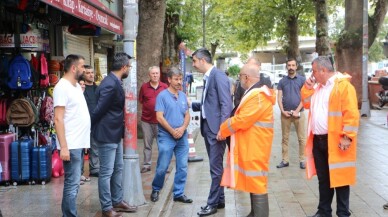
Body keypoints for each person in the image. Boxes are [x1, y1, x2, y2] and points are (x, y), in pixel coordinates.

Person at [301, 56, 359, 217]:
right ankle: (324, 211)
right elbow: (305, 103)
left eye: (313, 71)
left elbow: (352, 114)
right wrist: (307, 87)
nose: (312, 75)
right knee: (323, 179)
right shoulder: (318, 87)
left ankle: (342, 213)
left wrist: (347, 136)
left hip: (336, 140)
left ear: (323, 70)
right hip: (318, 140)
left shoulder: (343, 87)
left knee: (340, 178)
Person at [218, 64, 275, 217]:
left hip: (255, 146)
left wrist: (223, 129)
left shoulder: (258, 96)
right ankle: (255, 213)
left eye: (240, 76)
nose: (239, 80)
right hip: (253, 145)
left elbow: (242, 119)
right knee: (253, 181)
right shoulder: (256, 93)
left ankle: (260, 214)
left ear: (246, 77)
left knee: (257, 183)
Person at [91, 53, 137, 217]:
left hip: (115, 134)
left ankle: (117, 201)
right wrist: (92, 126)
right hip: (106, 134)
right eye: (129, 67)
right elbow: (99, 110)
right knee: (106, 172)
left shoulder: (114, 81)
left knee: (118, 168)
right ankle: (106, 208)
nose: (129, 69)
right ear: (124, 67)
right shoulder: (110, 84)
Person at [190, 48, 233, 216]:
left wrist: (222, 129)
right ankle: (220, 199)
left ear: (202, 60)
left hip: (217, 130)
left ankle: (212, 203)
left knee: (215, 168)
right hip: (208, 127)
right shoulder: (208, 77)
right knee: (215, 167)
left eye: (194, 61)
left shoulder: (218, 76)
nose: (193, 64)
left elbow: (226, 105)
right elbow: (211, 104)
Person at [53, 54, 90, 217]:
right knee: (72, 184)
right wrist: (64, 147)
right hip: (71, 144)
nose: (85, 69)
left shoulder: (75, 86)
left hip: (78, 143)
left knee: (75, 184)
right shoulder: (62, 87)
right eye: (82, 66)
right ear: (74, 68)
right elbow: (58, 118)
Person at [150, 67, 192, 204]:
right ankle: (156, 188)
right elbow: (159, 117)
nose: (179, 82)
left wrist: (182, 128)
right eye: (176, 79)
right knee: (162, 166)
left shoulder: (183, 96)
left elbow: (187, 115)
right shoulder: (162, 96)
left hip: (182, 136)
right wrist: (172, 131)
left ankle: (179, 193)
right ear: (169, 80)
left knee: (183, 166)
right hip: (166, 136)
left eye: (180, 79)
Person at [276, 58, 307, 169]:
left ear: (296, 66)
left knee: (302, 138)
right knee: (285, 138)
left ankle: (302, 160)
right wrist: (282, 111)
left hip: (299, 114)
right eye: (289, 65)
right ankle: (285, 160)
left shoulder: (302, 80)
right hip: (286, 115)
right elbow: (279, 97)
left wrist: (297, 111)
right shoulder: (282, 81)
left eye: (293, 65)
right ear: (286, 67)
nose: (291, 67)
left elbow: (305, 97)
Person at [139, 66, 168, 173]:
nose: (155, 75)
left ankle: (163, 166)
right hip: (146, 120)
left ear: (159, 74)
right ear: (149, 75)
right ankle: (146, 165)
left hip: (161, 122)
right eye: (153, 73)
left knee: (163, 145)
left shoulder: (165, 87)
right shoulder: (144, 87)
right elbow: (141, 101)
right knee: (147, 145)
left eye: (157, 73)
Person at [83, 65, 100, 178]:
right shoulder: (81, 89)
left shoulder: (98, 88)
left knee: (95, 146)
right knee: (81, 147)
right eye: (88, 73)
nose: (91, 74)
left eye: (92, 72)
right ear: (84, 75)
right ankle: (79, 172)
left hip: (96, 122)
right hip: (83, 122)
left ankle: (95, 169)